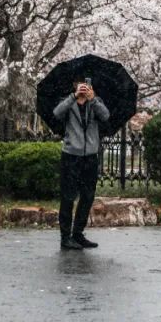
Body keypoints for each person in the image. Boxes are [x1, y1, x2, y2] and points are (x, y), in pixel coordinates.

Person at [53, 79, 109, 250]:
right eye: (80, 84)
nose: (84, 87)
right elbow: (57, 113)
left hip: (90, 156)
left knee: (88, 196)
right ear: (75, 86)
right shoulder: (68, 102)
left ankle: (78, 233)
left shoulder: (96, 102)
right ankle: (65, 237)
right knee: (68, 196)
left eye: (87, 83)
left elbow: (105, 116)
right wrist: (73, 97)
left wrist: (93, 99)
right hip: (71, 156)